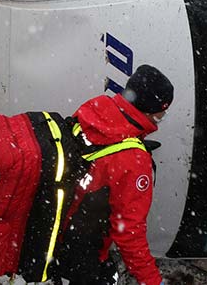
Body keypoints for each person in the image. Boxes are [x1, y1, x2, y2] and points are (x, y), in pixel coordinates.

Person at [51, 65, 173, 285]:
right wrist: (152, 281)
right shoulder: (134, 161)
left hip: (56, 223)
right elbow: (130, 234)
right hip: (83, 247)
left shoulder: (96, 106)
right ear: (151, 111)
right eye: (161, 114)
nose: (161, 118)